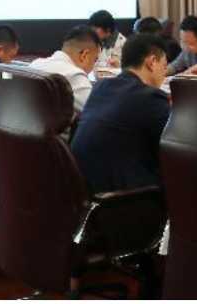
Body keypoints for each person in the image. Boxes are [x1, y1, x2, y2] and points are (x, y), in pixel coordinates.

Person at [71, 34, 171, 193]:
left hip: (81, 189)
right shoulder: (150, 97)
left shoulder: (101, 87)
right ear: (152, 62)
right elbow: (171, 146)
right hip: (122, 197)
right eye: (164, 66)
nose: (164, 74)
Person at [28, 26, 100, 115]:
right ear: (84, 55)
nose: (93, 65)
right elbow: (98, 112)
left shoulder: (35, 64)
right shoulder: (75, 75)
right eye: (95, 60)